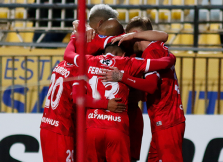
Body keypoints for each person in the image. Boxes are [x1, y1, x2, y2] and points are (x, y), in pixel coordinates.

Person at [66, 18, 168, 161]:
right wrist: (80, 24)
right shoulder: (126, 57)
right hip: (111, 122)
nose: (95, 36)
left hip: (120, 119)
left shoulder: (123, 45)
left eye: (98, 33)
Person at [102, 16, 186, 162]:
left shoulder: (151, 53)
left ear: (134, 33)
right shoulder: (158, 48)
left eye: (128, 36)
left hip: (167, 119)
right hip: (164, 117)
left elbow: (151, 86)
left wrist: (122, 77)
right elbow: (164, 36)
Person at [40, 61, 126, 162]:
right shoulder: (79, 68)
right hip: (61, 130)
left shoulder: (62, 64)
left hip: (47, 125)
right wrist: (106, 104)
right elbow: (77, 97)